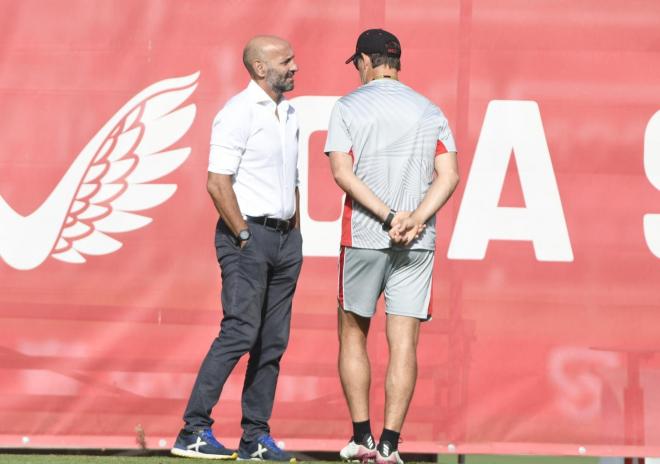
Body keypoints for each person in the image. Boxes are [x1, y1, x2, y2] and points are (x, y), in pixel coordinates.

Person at [324, 29, 460, 464]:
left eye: (358, 63)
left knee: (352, 332)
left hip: (364, 234)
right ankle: (389, 446)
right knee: (405, 342)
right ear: (396, 61)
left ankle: (361, 437)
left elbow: (343, 173)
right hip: (417, 241)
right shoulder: (429, 109)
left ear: (366, 60)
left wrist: (387, 217)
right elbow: (449, 175)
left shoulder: (347, 106)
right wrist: (415, 219)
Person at [171, 35, 302, 462]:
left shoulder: (290, 113)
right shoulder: (238, 112)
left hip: (285, 239)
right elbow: (217, 181)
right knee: (241, 332)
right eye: (286, 61)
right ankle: (193, 429)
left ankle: (255, 439)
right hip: (247, 237)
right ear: (261, 69)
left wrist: (293, 230)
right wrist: (244, 235)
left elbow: (291, 180)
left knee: (272, 341)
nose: (295, 66)